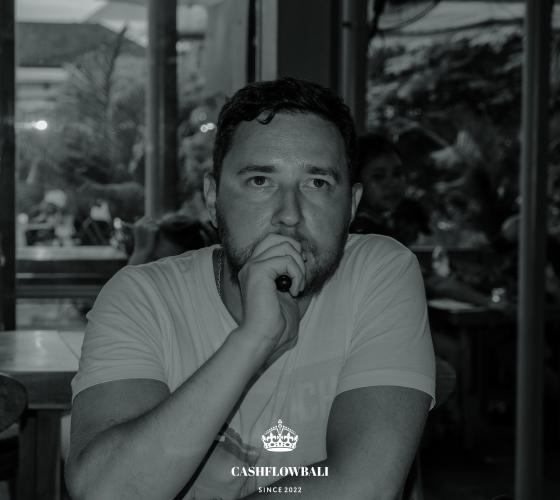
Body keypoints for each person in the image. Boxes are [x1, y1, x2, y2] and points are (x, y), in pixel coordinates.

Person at [66, 77, 435, 500]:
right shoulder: (142, 297)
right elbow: (105, 492)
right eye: (261, 180)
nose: (289, 215)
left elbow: (366, 485)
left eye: (317, 183)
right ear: (212, 198)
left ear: (351, 206)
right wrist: (253, 340)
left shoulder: (379, 270)